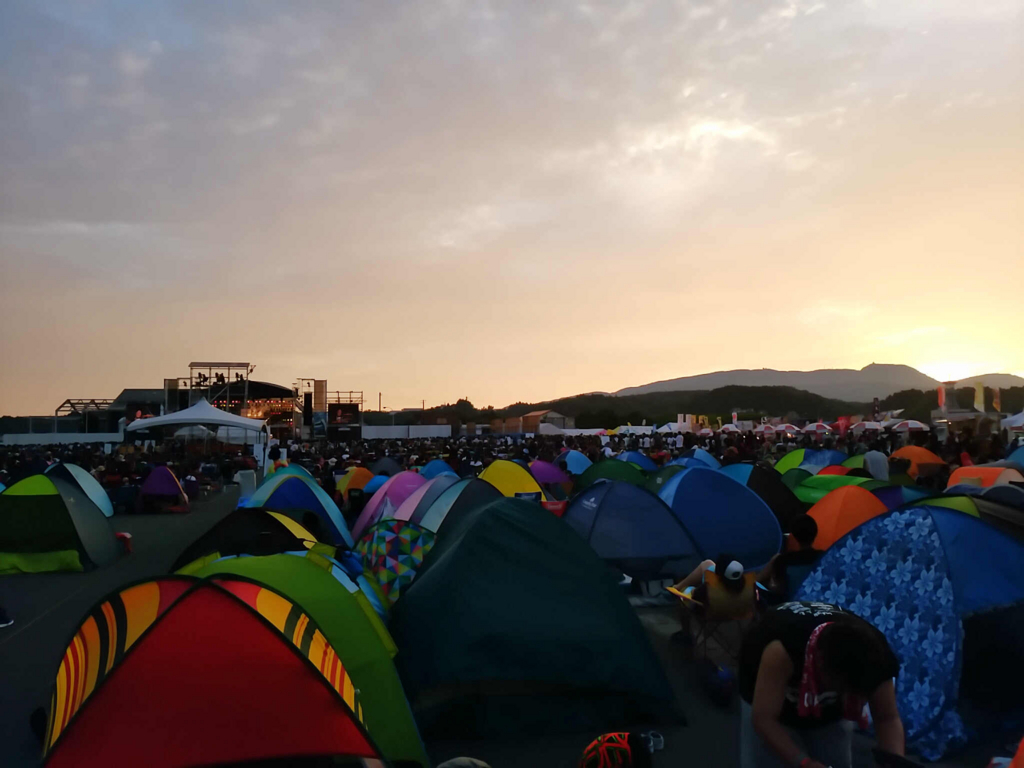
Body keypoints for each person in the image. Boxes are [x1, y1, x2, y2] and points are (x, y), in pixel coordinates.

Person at [739, 601, 904, 768]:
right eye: (841, 688)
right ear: (820, 665)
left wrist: (894, 764)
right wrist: (804, 762)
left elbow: (887, 718)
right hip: (767, 693)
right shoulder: (782, 651)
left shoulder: (878, 659)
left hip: (829, 714)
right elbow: (764, 719)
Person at [757, 515, 825, 601]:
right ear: (815, 533)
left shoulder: (781, 561)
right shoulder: (824, 557)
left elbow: (760, 581)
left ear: (794, 535)